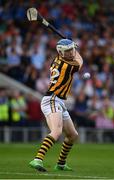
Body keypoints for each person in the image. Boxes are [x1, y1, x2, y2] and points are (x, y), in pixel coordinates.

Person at [29, 39, 83, 172]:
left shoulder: (57, 58)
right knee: (57, 131)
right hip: (52, 100)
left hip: (58, 101)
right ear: (61, 52)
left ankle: (61, 164)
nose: (71, 53)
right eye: (68, 51)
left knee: (73, 135)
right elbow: (80, 61)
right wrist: (75, 48)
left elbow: (71, 53)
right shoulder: (68, 65)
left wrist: (70, 46)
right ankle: (37, 159)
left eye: (71, 50)